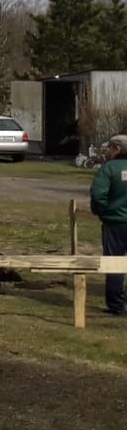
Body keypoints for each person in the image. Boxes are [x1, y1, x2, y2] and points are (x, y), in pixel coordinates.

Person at [89, 133, 127, 316]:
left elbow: (98, 195)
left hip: (115, 224)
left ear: (117, 149)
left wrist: (102, 211)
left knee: (114, 264)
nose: (108, 151)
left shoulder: (109, 169)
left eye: (110, 148)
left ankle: (116, 305)